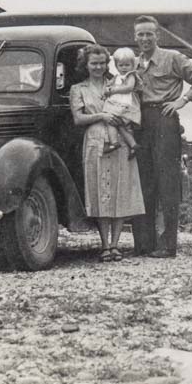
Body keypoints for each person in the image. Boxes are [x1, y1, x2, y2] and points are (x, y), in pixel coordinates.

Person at [132, 15, 192, 258]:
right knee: (144, 183)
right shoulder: (134, 63)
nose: (145, 38)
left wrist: (182, 100)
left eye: (149, 34)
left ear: (158, 36)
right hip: (139, 122)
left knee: (167, 182)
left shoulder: (173, 58)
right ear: (135, 38)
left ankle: (168, 245)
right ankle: (144, 244)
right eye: (140, 34)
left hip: (164, 119)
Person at [69, 44, 145, 262]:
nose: (99, 67)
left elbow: (131, 103)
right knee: (101, 190)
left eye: (102, 63)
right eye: (94, 63)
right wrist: (102, 116)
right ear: (86, 64)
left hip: (120, 138)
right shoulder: (79, 89)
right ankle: (104, 245)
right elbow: (78, 119)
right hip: (95, 140)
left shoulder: (117, 82)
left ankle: (115, 244)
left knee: (120, 187)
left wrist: (123, 117)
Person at [101, 47, 142, 158]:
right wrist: (107, 89)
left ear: (132, 65)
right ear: (116, 65)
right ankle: (133, 145)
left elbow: (129, 88)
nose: (124, 68)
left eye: (127, 65)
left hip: (124, 105)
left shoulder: (131, 75)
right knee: (120, 125)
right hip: (119, 104)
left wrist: (113, 90)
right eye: (121, 65)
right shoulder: (116, 77)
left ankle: (113, 143)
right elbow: (108, 85)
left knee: (111, 121)